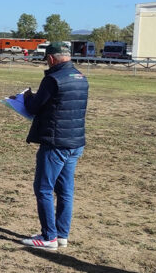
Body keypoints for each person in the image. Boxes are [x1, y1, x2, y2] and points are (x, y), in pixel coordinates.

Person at [19, 42, 89, 250]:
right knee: (65, 189)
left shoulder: (52, 79)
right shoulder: (81, 78)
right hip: (75, 142)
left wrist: (26, 97)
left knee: (43, 189)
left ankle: (48, 237)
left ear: (50, 59)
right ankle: (61, 234)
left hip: (55, 143)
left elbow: (33, 107)